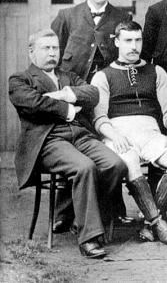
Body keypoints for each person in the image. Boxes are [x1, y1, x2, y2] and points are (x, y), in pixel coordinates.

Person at [9, 29, 126, 258]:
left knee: (115, 165)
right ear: (31, 52)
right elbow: (32, 104)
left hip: (80, 135)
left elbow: (93, 94)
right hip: (48, 140)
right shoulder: (20, 79)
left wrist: (64, 94)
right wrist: (69, 109)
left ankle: (87, 219)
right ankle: (89, 238)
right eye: (46, 48)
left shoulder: (68, 77)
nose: (52, 53)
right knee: (84, 167)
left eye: (55, 48)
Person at [50, 0, 132, 233]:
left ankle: (114, 210)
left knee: (109, 149)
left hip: (108, 95)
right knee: (73, 150)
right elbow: (54, 56)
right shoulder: (67, 16)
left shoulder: (121, 17)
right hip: (74, 96)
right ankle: (64, 212)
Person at [92, 20, 167, 244]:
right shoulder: (103, 76)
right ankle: (158, 223)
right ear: (117, 42)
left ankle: (149, 222)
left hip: (150, 131)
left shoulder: (156, 72)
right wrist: (115, 136)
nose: (134, 46)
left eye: (138, 40)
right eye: (128, 40)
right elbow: (99, 118)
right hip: (118, 132)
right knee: (130, 161)